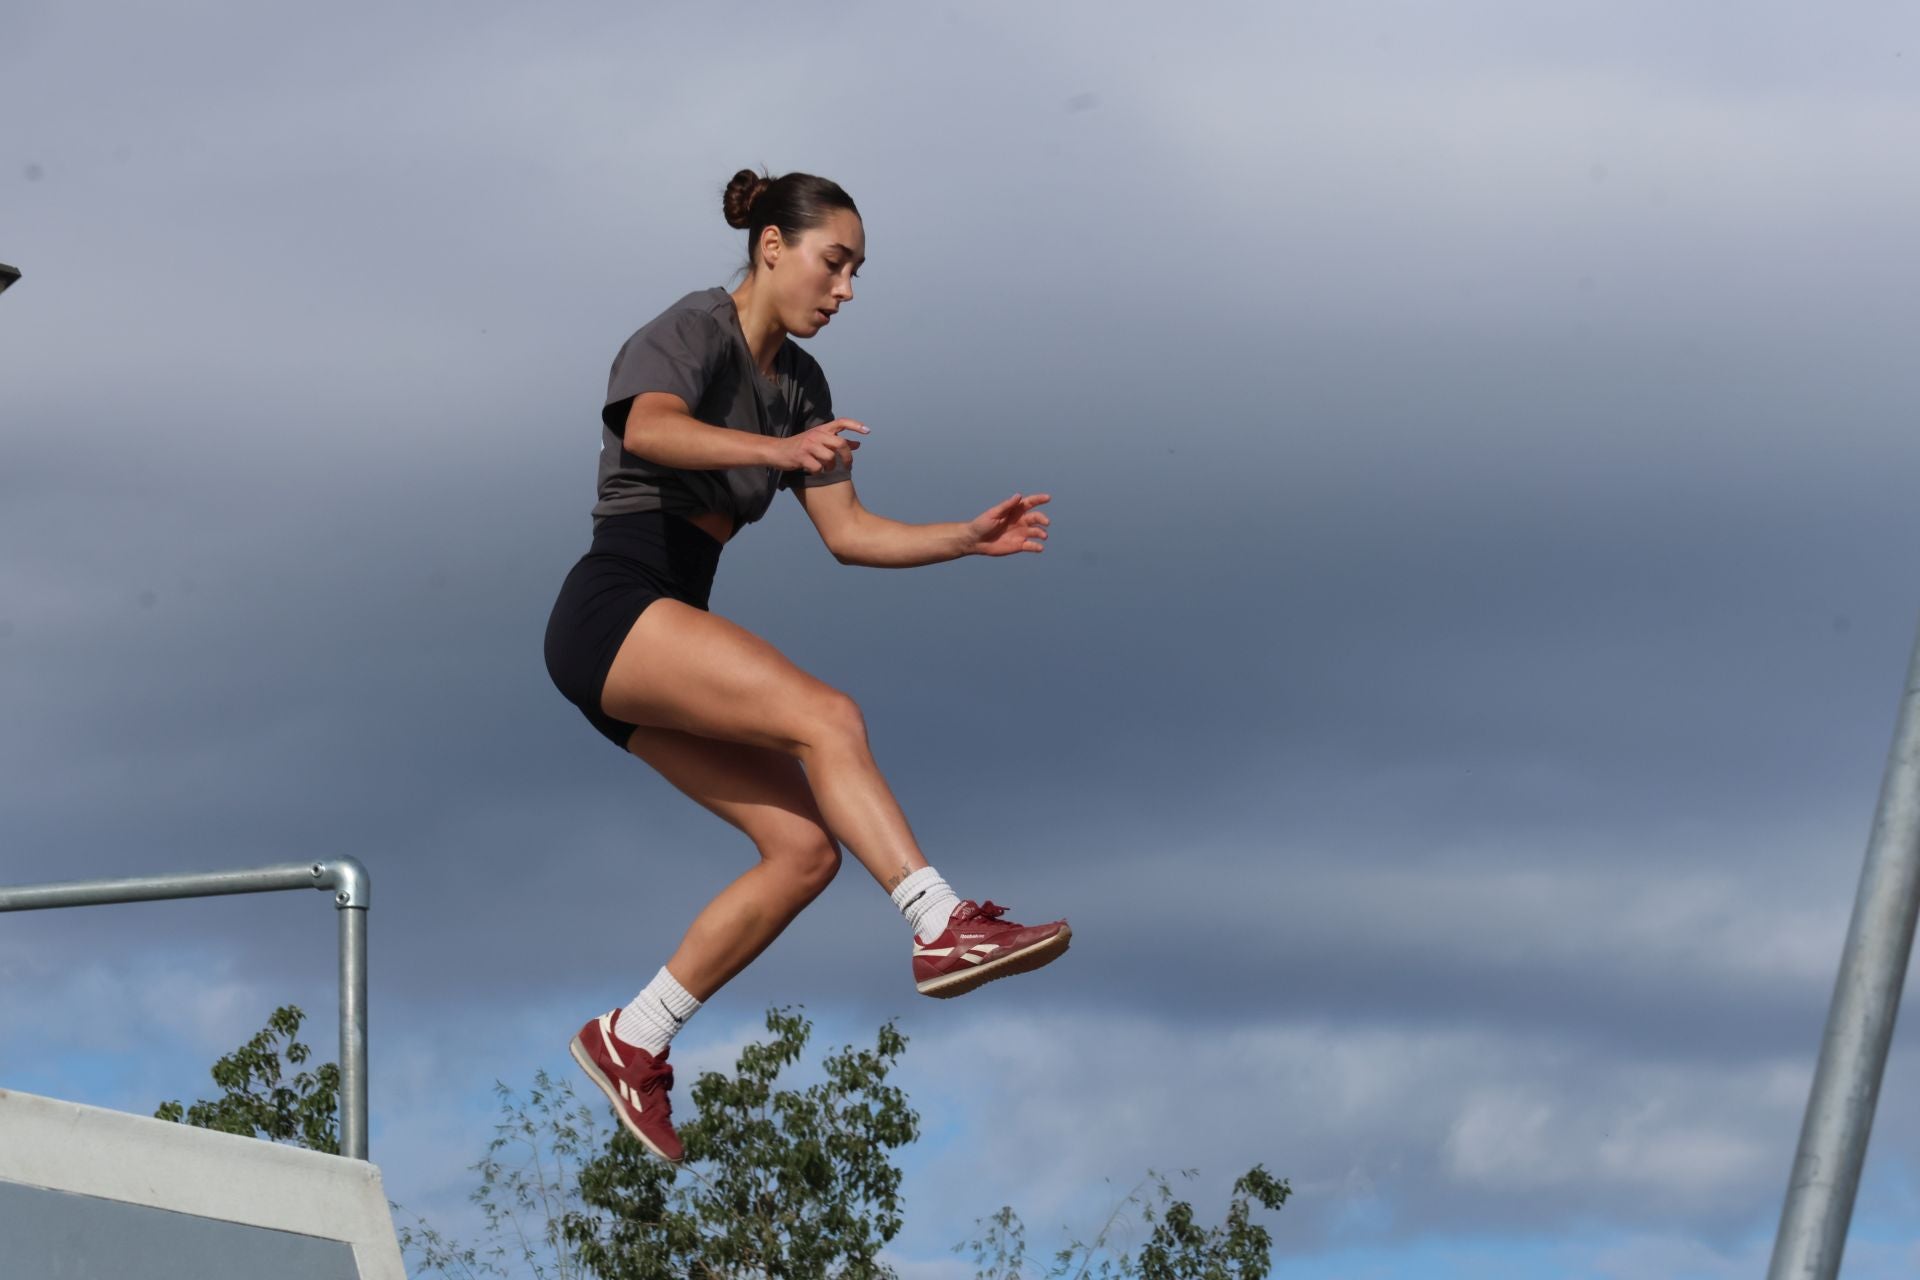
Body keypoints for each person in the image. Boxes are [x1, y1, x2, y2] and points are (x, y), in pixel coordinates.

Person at [544, 169, 1071, 1164]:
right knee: (826, 716)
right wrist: (776, 454)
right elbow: (647, 425)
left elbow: (850, 533)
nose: (847, 290)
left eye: (859, 271)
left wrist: (963, 536)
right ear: (772, 247)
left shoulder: (802, 387)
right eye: (835, 262)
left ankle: (633, 1034)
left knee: (804, 852)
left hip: (663, 631)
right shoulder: (691, 331)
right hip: (616, 605)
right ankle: (939, 919)